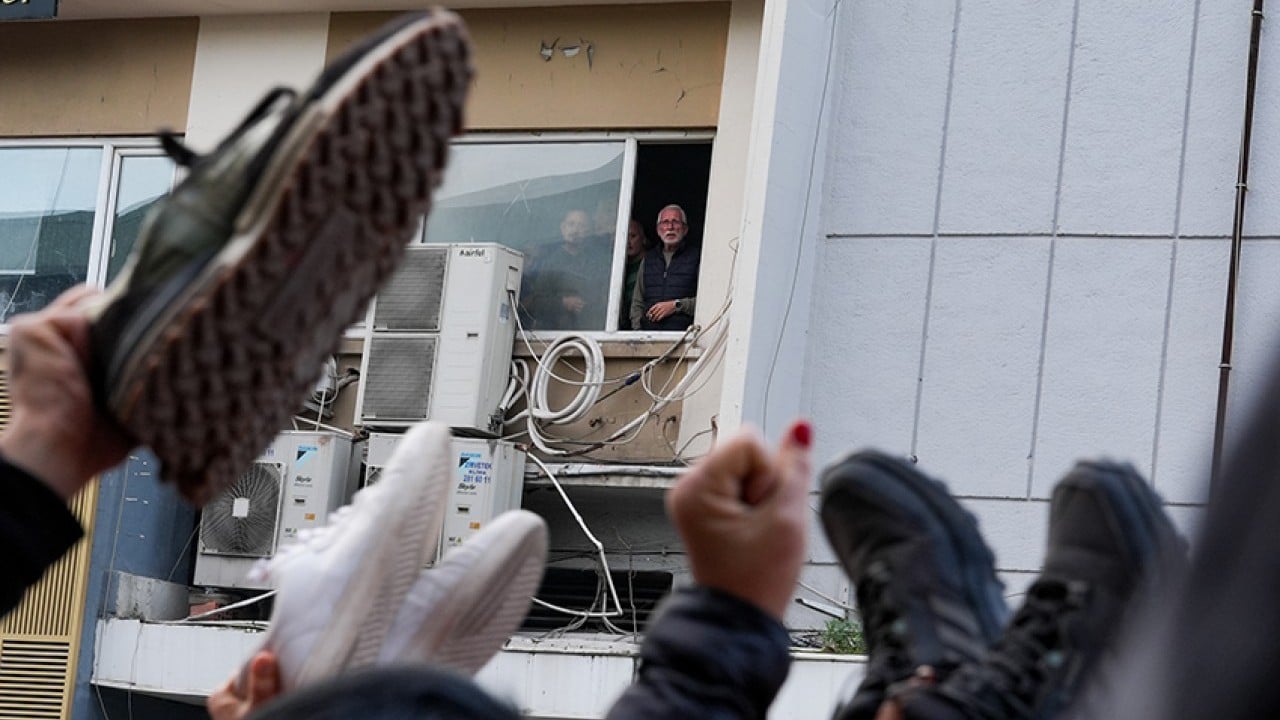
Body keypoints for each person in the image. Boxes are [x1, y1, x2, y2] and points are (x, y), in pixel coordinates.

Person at [520, 208, 612, 330]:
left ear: (589, 231)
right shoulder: (551, 262)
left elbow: (605, 296)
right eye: (571, 224)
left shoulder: (596, 261)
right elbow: (537, 301)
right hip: (556, 332)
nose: (575, 230)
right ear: (563, 228)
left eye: (581, 226)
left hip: (590, 329)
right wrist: (563, 303)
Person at [629, 204, 699, 332]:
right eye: (665, 222)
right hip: (648, 337)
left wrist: (676, 305)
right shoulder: (649, 259)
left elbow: (707, 302)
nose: (670, 227)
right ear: (658, 229)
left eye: (675, 222)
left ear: (685, 229)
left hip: (684, 337)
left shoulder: (697, 258)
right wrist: (638, 330)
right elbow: (637, 302)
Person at [619, 219, 648, 329]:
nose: (628, 241)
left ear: (643, 239)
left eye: (633, 236)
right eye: (624, 236)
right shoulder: (619, 267)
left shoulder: (652, 264)